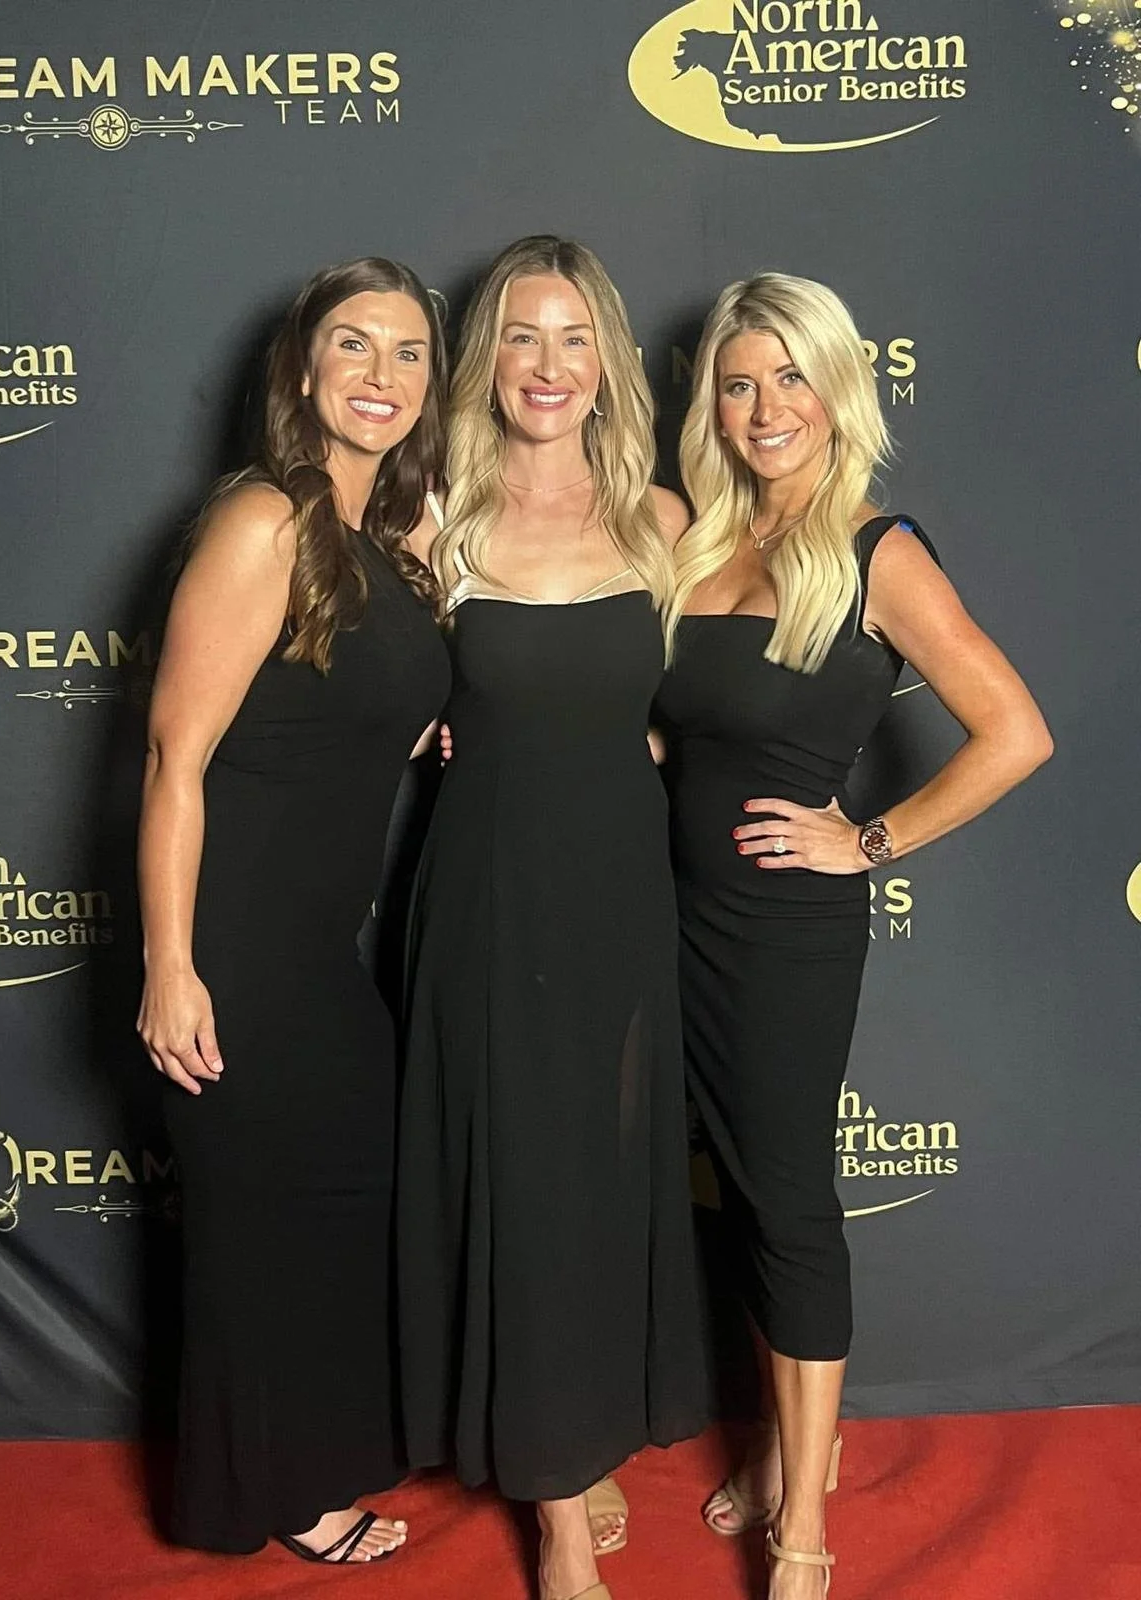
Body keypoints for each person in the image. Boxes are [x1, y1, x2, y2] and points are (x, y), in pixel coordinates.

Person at [653, 272, 1053, 1597]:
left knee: (784, 1204)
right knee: (662, 1195)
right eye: (739, 380)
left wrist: (868, 840)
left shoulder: (876, 549)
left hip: (780, 930)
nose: (766, 407)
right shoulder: (693, 538)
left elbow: (1015, 732)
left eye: (791, 377)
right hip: (652, 908)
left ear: (839, 390)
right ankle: (771, 1452)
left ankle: (805, 1525)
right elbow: (669, 734)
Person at [396, 235, 708, 1600]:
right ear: (488, 361)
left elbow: (707, 710)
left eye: (572, 336)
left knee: (603, 1173)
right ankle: (558, 1511)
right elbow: (363, 704)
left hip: (623, 897)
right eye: (520, 336)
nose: (546, 364)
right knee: (517, 1180)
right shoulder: (435, 524)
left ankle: (586, 1432)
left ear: (606, 362)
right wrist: (420, 725)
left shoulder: (664, 520)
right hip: (488, 897)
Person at [136, 258, 451, 1564]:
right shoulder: (262, 521)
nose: (379, 375)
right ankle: (282, 1502)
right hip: (236, 956)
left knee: (346, 1209)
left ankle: (308, 1466)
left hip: (329, 959)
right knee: (260, 1232)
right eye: (352, 346)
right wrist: (169, 966)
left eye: (408, 353)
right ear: (304, 372)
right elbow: (174, 759)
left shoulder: (383, 543)